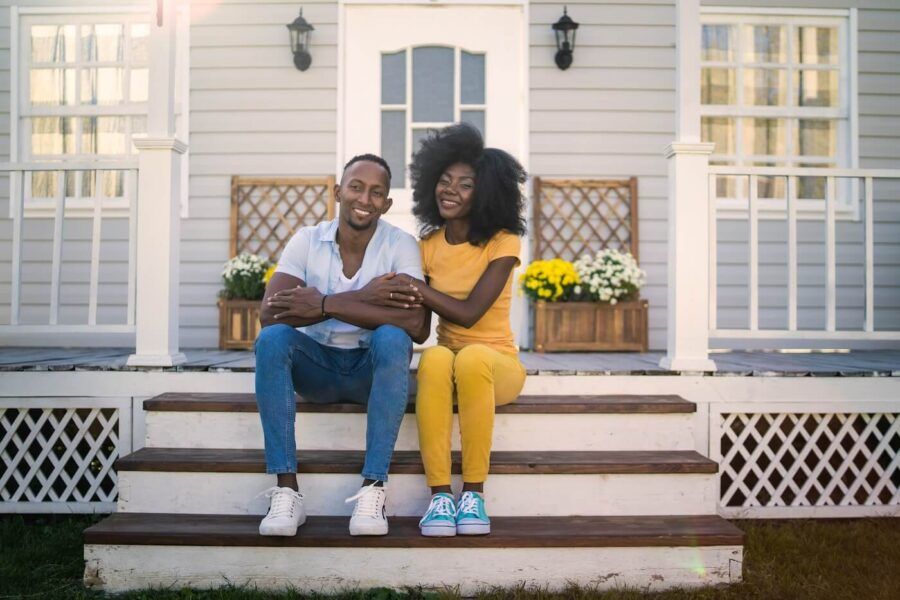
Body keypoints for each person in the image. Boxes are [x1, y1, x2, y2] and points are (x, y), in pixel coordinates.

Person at [254, 154, 429, 537]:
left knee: (392, 337)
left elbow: (416, 325)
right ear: (338, 191)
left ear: (387, 203)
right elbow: (270, 314)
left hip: (371, 370)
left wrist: (323, 303)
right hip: (316, 369)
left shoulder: (401, 246)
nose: (364, 198)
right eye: (356, 187)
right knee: (272, 340)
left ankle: (373, 488)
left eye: (376, 192)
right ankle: (286, 491)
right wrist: (368, 298)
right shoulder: (307, 240)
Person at [408, 123, 527, 536]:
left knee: (473, 354)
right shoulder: (426, 247)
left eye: (465, 184)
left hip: (498, 367)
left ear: (486, 192)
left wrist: (417, 289)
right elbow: (421, 332)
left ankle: (473, 493)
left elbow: (472, 312)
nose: (450, 190)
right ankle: (441, 496)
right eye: (444, 181)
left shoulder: (502, 241)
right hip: (449, 367)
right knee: (437, 356)